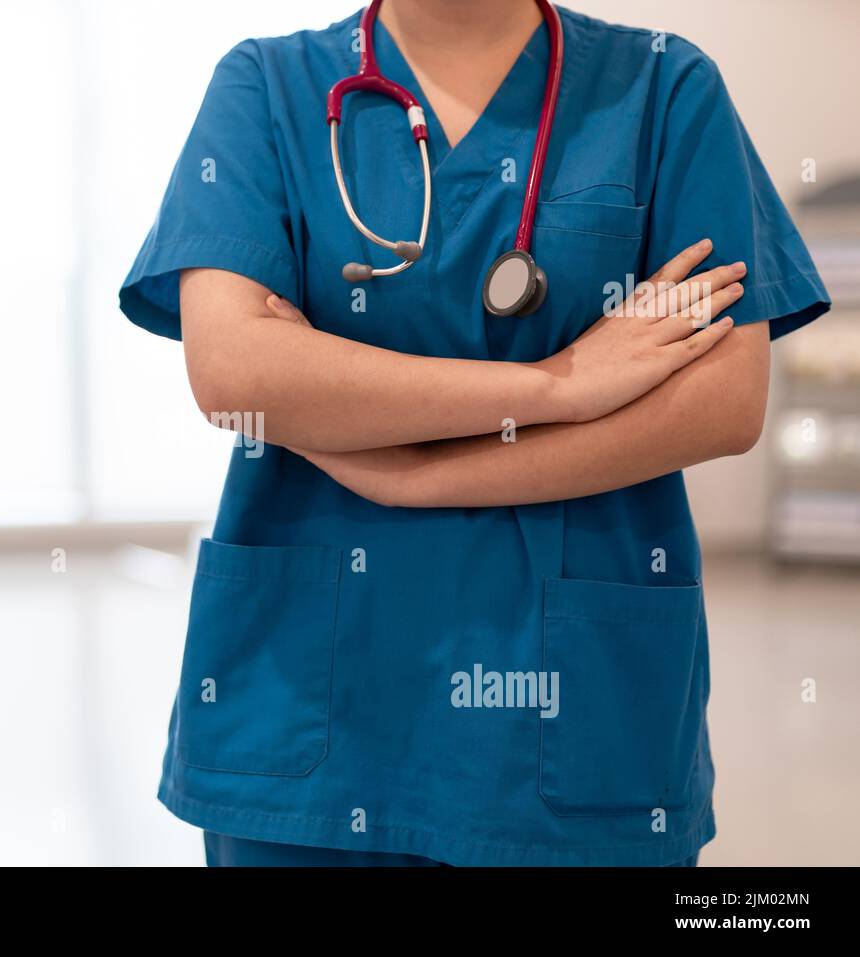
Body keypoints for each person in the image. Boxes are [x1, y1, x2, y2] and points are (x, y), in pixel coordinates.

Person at [118, 0, 829, 866]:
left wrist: (410, 473)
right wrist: (557, 386)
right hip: (308, 717)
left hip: (577, 713)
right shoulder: (267, 87)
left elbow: (724, 399)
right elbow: (235, 374)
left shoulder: (664, 89)